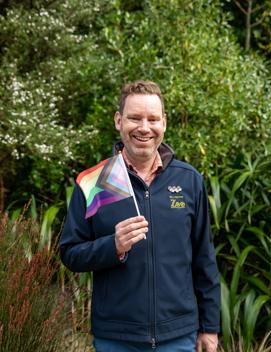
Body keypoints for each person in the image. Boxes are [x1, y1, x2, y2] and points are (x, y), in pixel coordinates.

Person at [60, 80, 220, 352]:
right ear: (119, 121)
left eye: (152, 119)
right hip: (116, 338)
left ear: (164, 123)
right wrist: (113, 246)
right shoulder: (95, 182)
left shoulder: (188, 180)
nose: (144, 128)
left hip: (178, 336)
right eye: (134, 118)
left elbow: (204, 258)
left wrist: (210, 327)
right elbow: (70, 253)